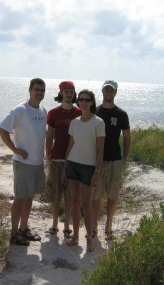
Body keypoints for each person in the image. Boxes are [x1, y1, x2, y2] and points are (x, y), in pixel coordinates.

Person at [0, 78, 47, 246]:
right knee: (20, 198)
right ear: (30, 90)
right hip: (23, 163)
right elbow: (2, 129)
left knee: (29, 197)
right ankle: (14, 233)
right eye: (36, 89)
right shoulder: (21, 109)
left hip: (37, 163)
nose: (39, 92)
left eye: (42, 90)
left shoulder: (42, 110)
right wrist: (15, 149)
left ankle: (24, 229)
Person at [62, 89, 105, 252]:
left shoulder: (98, 123)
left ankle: (89, 241)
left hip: (88, 167)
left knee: (87, 205)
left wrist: (97, 172)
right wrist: (65, 167)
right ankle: (75, 237)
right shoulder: (75, 122)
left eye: (87, 100)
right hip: (73, 164)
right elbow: (70, 145)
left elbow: (101, 150)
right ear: (77, 101)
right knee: (75, 202)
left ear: (92, 102)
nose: (83, 102)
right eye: (81, 99)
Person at [92, 80, 131, 241]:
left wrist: (125, 158)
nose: (108, 93)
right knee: (96, 195)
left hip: (115, 159)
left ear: (115, 93)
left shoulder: (121, 114)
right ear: (102, 91)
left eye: (111, 91)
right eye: (106, 90)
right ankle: (93, 227)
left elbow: (127, 137)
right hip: (96, 160)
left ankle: (108, 227)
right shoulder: (95, 111)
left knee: (112, 195)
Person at [45, 81, 81, 238]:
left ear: (74, 94)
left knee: (70, 196)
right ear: (61, 93)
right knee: (55, 194)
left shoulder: (79, 113)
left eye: (71, 91)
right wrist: (47, 156)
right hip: (56, 158)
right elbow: (49, 135)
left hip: (74, 160)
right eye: (66, 92)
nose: (68, 94)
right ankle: (54, 224)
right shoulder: (53, 113)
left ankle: (67, 225)